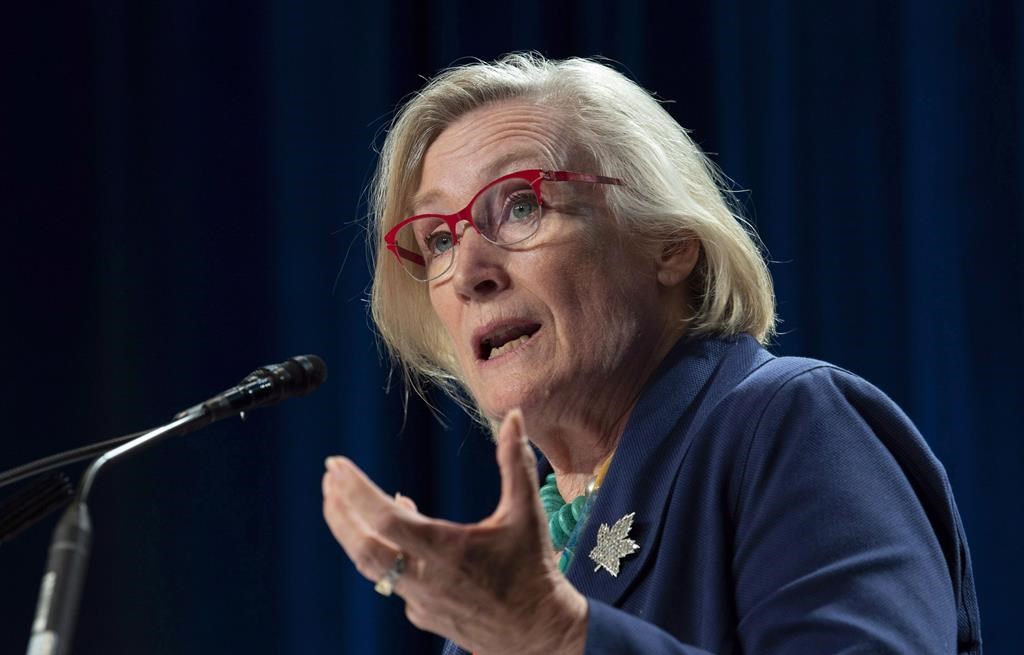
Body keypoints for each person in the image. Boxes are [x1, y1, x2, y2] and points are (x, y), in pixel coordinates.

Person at [321, 53, 981, 654]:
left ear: (669, 243)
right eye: (438, 239)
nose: (468, 271)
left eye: (520, 205)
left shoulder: (789, 421)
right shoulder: (507, 579)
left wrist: (551, 635)